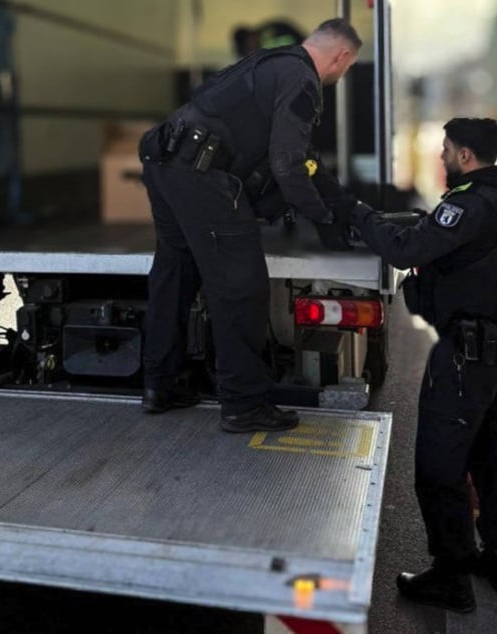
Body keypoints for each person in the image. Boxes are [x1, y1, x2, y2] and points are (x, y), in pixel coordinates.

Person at [341, 118, 497, 612]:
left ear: (466, 156)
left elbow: (405, 249)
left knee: (439, 467)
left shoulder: (466, 206)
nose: (442, 156)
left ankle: (451, 577)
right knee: (493, 452)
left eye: (447, 149)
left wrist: (360, 215)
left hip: (466, 355)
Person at [137, 19, 361, 433]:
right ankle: (244, 404)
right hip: (203, 175)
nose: (341, 76)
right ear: (341, 56)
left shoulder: (269, 62)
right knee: (240, 288)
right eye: (346, 69)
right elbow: (287, 164)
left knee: (175, 273)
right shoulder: (302, 79)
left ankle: (159, 385)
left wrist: (334, 198)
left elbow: (302, 156)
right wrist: (322, 216)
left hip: (165, 161)